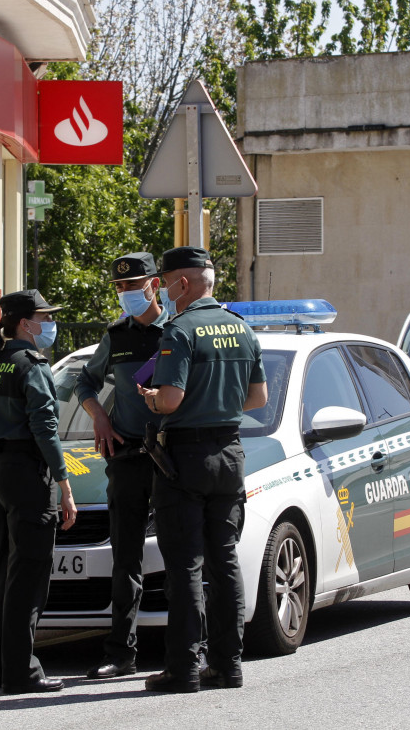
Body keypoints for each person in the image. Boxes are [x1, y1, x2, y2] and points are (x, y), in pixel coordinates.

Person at [137, 246, 267, 693]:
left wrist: (151, 399)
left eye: (165, 281)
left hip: (185, 458)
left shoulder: (180, 330)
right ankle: (228, 665)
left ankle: (183, 669)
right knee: (224, 561)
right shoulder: (240, 328)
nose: (163, 290)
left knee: (186, 566)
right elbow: (258, 399)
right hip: (229, 453)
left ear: (184, 284)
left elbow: (169, 399)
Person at [0, 289, 77, 694]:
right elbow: (45, 428)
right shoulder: (31, 365)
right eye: (44, 317)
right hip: (26, 474)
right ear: (24, 323)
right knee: (29, 575)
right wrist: (63, 482)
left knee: (5, 573)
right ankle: (21, 671)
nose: (49, 323)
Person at [76, 252, 169, 679]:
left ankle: (191, 646)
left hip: (173, 457)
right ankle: (121, 652)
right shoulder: (116, 336)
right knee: (125, 559)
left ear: (154, 284)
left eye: (133, 286)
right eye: (119, 287)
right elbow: (84, 381)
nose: (126, 294)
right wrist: (98, 415)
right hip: (129, 456)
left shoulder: (179, 330)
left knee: (183, 555)